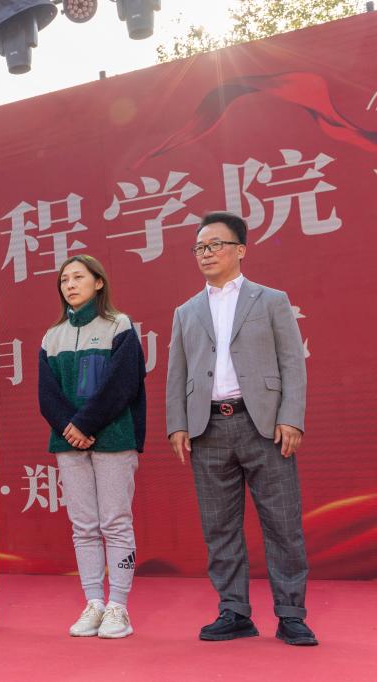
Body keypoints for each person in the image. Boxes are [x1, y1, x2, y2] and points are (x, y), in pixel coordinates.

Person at [165, 211, 316, 646]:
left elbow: (292, 362)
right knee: (219, 527)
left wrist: (291, 417)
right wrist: (177, 424)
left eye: (215, 245)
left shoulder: (270, 300)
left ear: (240, 250)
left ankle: (291, 614)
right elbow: (177, 373)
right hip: (207, 428)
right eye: (200, 247)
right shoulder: (186, 311)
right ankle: (233, 611)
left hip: (263, 425)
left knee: (283, 524)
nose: (206, 253)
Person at [37, 255, 146, 639]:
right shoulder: (52, 337)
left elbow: (123, 385)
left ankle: (119, 606)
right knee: (83, 527)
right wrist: (72, 429)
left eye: (78, 277)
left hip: (114, 439)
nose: (69, 284)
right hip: (69, 444)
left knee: (115, 523)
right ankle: (94, 603)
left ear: (99, 282)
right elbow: (47, 396)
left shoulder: (119, 326)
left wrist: (84, 424)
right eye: (64, 279)